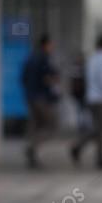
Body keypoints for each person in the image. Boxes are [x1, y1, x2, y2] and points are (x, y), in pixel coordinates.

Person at [71, 34, 102, 169]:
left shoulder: (92, 58)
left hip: (92, 98)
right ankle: (100, 157)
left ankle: (79, 148)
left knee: (98, 129)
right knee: (101, 130)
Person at [21, 34, 60, 168]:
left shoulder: (30, 57)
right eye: (51, 45)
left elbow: (23, 77)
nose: (52, 47)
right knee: (51, 125)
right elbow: (49, 77)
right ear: (46, 45)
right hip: (40, 97)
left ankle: (33, 155)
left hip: (30, 96)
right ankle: (32, 147)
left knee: (36, 125)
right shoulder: (44, 58)